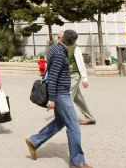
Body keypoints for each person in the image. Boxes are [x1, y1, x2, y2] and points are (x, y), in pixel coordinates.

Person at [26, 29, 92, 168]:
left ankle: (34, 141)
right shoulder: (60, 54)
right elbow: (54, 76)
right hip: (61, 94)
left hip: (60, 93)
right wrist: (52, 99)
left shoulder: (54, 48)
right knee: (74, 126)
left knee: (59, 122)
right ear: (72, 42)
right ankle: (77, 161)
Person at [57, 30, 96, 125]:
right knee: (78, 98)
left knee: (67, 96)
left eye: (59, 37)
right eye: (57, 37)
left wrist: (85, 79)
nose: (57, 39)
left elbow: (81, 64)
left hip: (75, 75)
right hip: (67, 76)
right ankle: (90, 117)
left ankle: (70, 119)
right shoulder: (61, 47)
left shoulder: (75, 48)